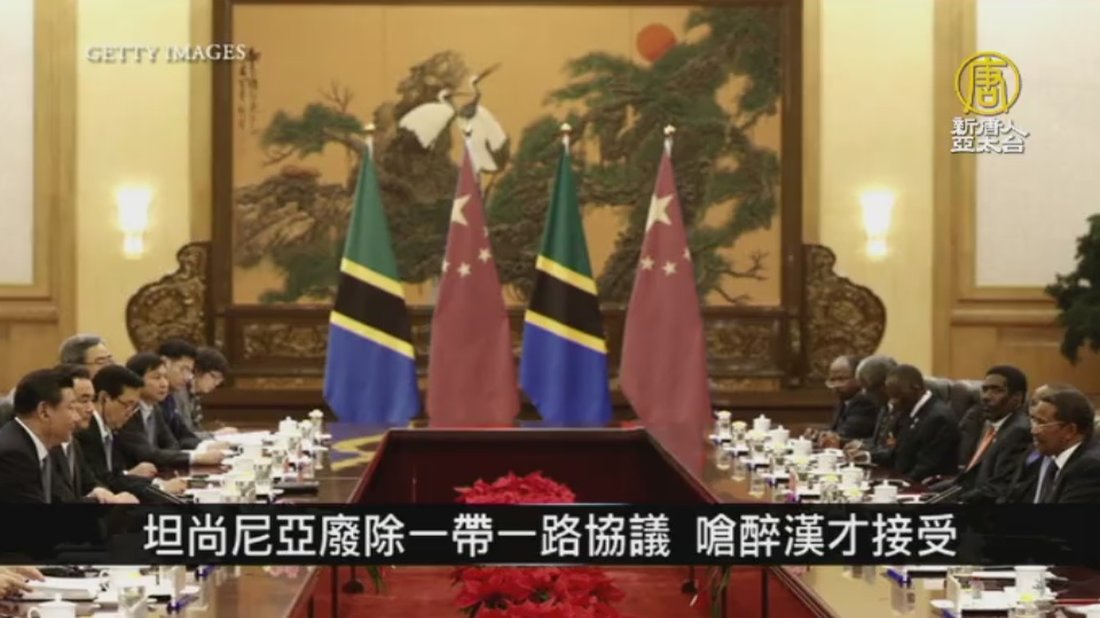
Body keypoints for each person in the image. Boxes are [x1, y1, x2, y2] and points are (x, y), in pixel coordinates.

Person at [76, 365, 187, 500]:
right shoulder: (86, 432)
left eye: (134, 407)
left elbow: (117, 475)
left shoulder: (109, 427)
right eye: (127, 404)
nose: (130, 413)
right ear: (104, 398)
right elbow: (107, 481)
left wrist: (155, 484)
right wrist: (159, 487)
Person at [933, 366, 1032, 502]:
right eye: (985, 390)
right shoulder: (989, 425)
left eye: (996, 390)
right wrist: (931, 493)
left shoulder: (1019, 431)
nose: (986, 397)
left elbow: (999, 487)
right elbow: (971, 478)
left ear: (1017, 398)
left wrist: (956, 500)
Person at [115, 353, 225, 472]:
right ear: (136, 380)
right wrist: (195, 458)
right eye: (156, 378)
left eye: (165, 377)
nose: (164, 384)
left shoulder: (154, 408)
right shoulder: (127, 411)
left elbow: (172, 444)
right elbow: (145, 454)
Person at [49, 365, 137, 504]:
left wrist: (104, 493)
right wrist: (111, 500)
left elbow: (91, 483)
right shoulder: (48, 446)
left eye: (92, 400)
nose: (91, 408)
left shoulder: (73, 442)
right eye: (83, 401)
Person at [866, 364, 959, 481]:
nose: (893, 402)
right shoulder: (907, 411)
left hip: (928, 485)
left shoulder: (938, 418)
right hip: (902, 478)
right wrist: (867, 456)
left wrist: (896, 483)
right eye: (891, 397)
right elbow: (897, 454)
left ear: (916, 389)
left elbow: (926, 467)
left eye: (898, 396)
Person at [0, 369, 78, 503]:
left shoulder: (44, 447)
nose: (77, 417)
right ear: (44, 412)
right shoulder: (13, 455)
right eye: (71, 408)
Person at [1020, 387, 1100, 503]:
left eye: (1041, 423)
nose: (1033, 431)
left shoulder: (1090, 468)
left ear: (1070, 430)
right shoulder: (1051, 459)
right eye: (1034, 421)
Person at [171, 345, 237, 440]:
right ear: (197, 371)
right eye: (214, 376)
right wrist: (214, 435)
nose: (216, 383)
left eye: (220, 379)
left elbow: (194, 430)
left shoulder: (194, 395)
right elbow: (183, 436)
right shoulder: (179, 392)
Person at [812, 355, 879, 448]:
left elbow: (846, 434)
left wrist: (821, 436)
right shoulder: (843, 401)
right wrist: (817, 434)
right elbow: (835, 431)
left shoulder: (864, 401)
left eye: (841, 379)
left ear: (858, 379)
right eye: (832, 380)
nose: (836, 385)